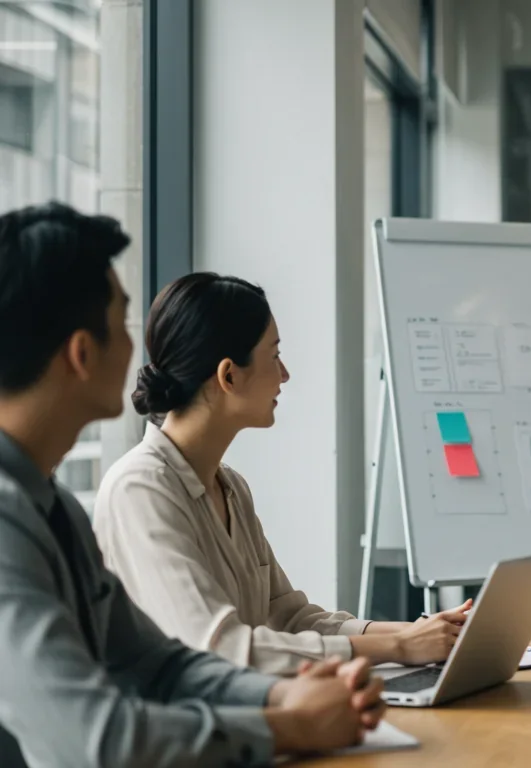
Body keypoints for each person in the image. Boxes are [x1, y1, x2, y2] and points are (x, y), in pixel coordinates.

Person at [0, 202, 386, 767]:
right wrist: (285, 725)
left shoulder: (53, 506)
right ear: (82, 354)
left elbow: (159, 664)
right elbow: (95, 740)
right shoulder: (19, 521)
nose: (141, 350)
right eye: (123, 321)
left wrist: (285, 695)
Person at [93, 272, 472, 675]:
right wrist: (397, 646)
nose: (285, 374)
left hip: (250, 715)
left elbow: (288, 615)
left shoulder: (231, 486)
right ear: (229, 376)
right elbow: (219, 646)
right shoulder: (140, 490)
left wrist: (419, 632)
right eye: (274, 356)